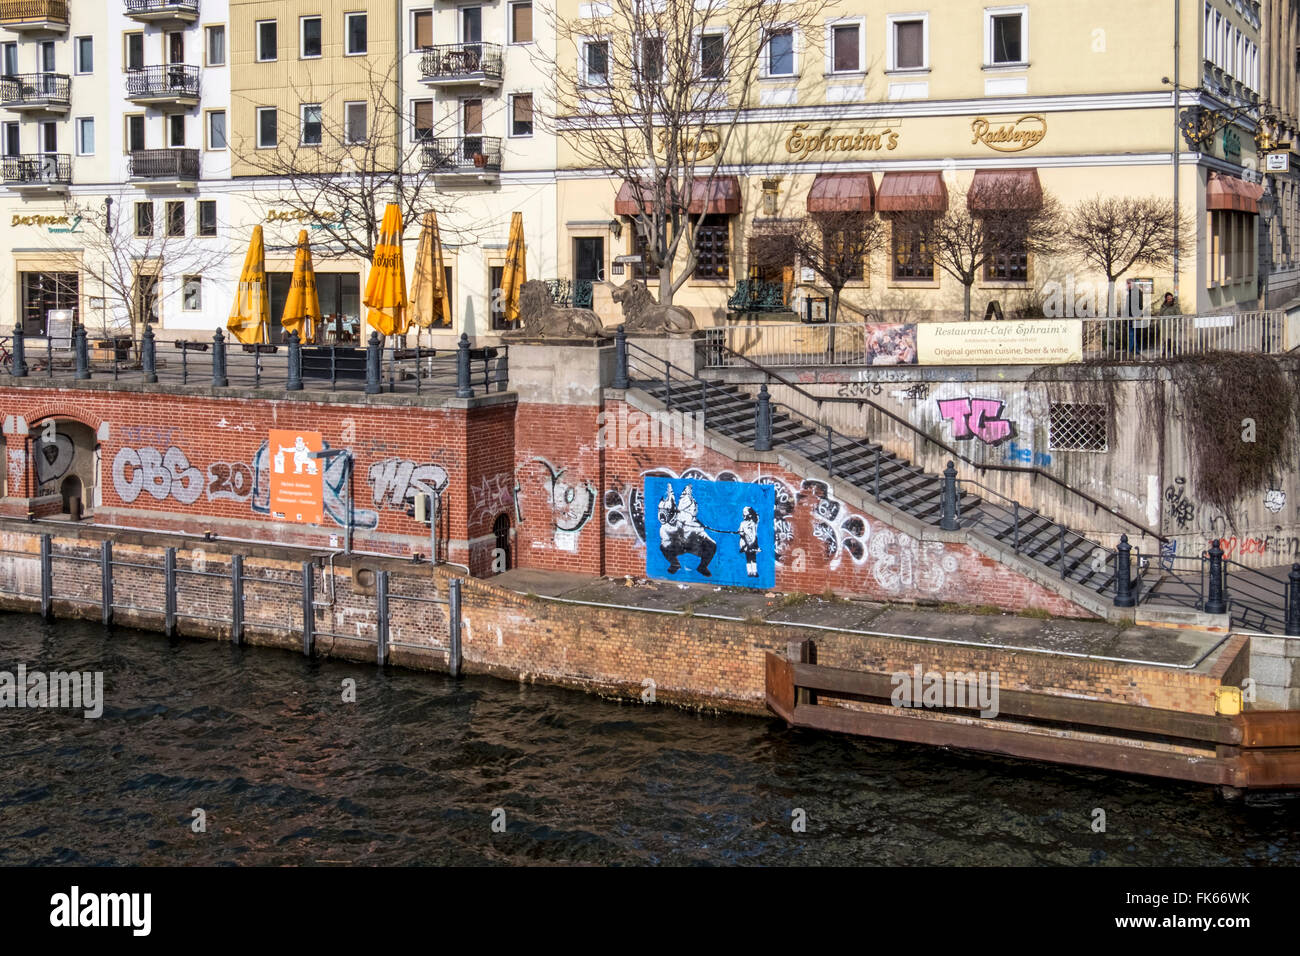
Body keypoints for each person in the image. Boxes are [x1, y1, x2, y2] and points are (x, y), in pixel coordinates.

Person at [738, 507, 760, 578]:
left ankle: (754, 571)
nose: (743, 514)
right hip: (745, 543)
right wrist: (741, 533)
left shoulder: (753, 523)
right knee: (748, 558)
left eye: (745, 512)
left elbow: (754, 533)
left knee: (753, 558)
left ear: (750, 514)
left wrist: (752, 542)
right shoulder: (742, 523)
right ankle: (749, 572)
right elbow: (740, 532)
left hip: (752, 543)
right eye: (743, 512)